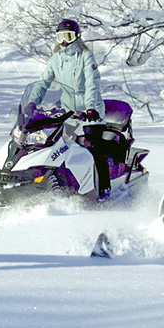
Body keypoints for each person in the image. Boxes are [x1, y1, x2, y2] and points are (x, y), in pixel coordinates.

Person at [34, 18, 111, 197]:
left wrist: (90, 107)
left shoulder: (86, 56)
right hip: (68, 112)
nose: (63, 41)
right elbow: (43, 82)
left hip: (91, 113)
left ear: (76, 37)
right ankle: (62, 184)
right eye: (60, 36)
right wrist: (32, 102)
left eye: (67, 36)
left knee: (94, 149)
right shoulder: (55, 59)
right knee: (58, 147)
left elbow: (92, 84)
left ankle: (104, 189)